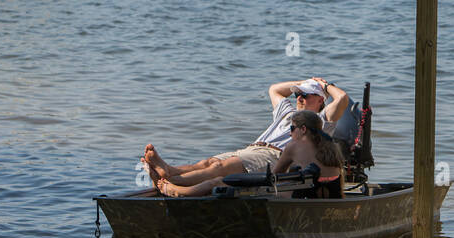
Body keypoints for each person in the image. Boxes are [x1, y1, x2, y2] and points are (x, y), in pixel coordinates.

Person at [142, 77, 350, 197]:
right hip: (253, 148)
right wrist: (305, 82)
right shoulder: (287, 111)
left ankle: (172, 183)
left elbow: (342, 98)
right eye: (298, 95)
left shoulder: (320, 120)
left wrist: (324, 85)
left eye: (305, 95)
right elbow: (274, 89)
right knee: (209, 162)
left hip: (273, 155)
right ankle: (169, 172)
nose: (300, 98)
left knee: (218, 169)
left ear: (320, 100)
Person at [277, 110, 345, 198]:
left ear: (303, 129)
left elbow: (275, 177)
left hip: (309, 199)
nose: (290, 133)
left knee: (269, 192)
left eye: (292, 128)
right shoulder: (332, 146)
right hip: (334, 197)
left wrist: (291, 174)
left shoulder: (293, 146)